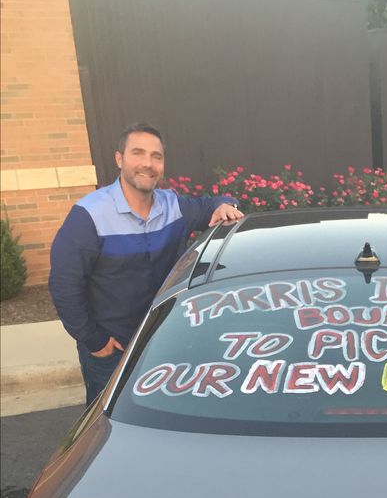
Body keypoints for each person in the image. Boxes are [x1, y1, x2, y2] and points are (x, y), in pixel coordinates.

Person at [49, 123, 244, 405]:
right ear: (119, 159)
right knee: (107, 427)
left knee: (169, 414)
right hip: (114, 350)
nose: (148, 164)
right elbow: (64, 284)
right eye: (138, 153)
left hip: (167, 343)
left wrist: (226, 203)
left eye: (156, 156)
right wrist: (93, 339)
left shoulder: (174, 206)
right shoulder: (88, 216)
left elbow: (213, 204)